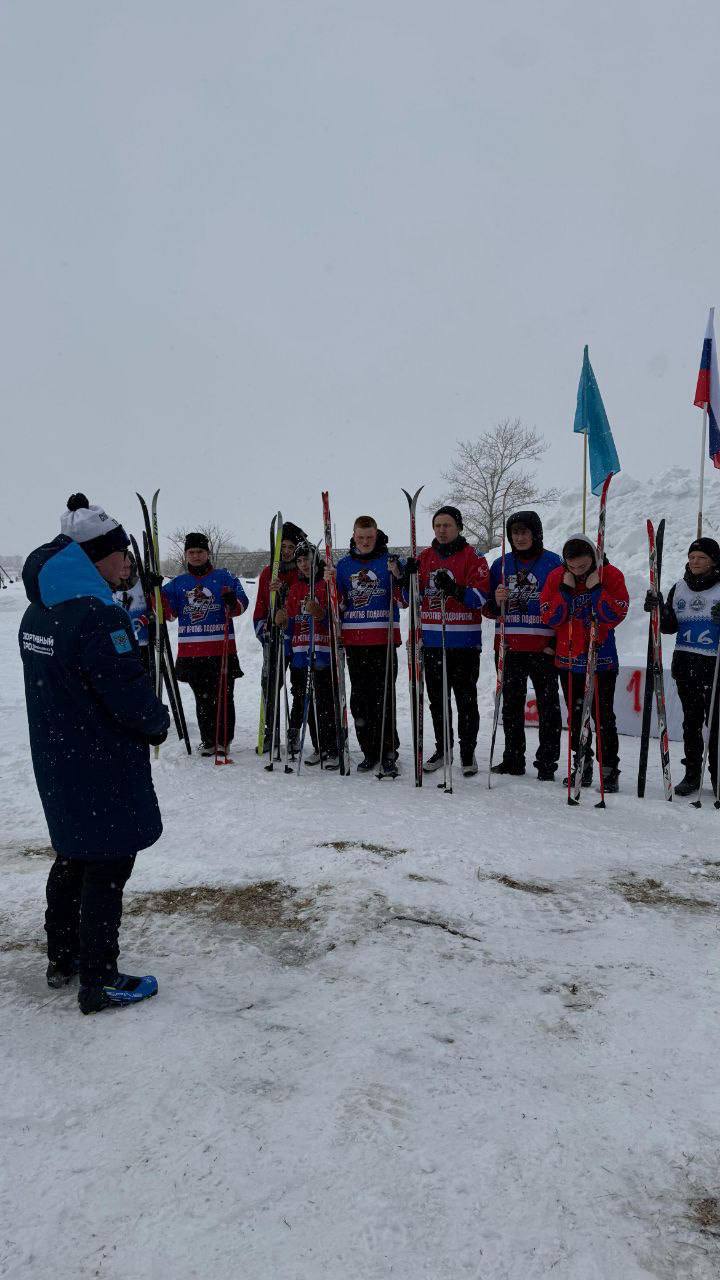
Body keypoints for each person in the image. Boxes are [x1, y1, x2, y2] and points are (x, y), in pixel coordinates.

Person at [19, 493, 169, 1015]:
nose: (127, 562)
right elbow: (125, 691)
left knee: (73, 855)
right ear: (96, 556)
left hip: (59, 757)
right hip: (101, 759)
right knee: (108, 862)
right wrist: (156, 722)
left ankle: (63, 956)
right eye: (121, 553)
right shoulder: (99, 617)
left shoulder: (40, 608)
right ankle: (100, 978)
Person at [394, 505, 488, 777]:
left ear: (458, 527)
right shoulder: (424, 558)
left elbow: (481, 598)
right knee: (437, 701)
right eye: (437, 526)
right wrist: (406, 579)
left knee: (466, 700)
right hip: (433, 641)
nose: (442, 530)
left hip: (464, 643)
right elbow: (406, 601)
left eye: (447, 525)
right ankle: (443, 748)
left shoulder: (473, 557)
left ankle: (467, 752)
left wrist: (455, 589)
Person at [540, 533, 628, 792]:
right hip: (568, 660)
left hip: (601, 658)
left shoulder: (611, 575)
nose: (577, 570)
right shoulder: (557, 577)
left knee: (603, 718)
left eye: (583, 565)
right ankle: (582, 764)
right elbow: (550, 617)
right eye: (572, 566)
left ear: (593, 558)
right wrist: (566, 592)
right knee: (577, 717)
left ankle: (609, 769)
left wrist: (597, 589)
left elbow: (613, 615)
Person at [484, 511, 563, 780]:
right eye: (515, 532)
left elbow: (564, 605)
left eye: (524, 532)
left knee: (548, 706)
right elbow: (487, 609)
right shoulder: (500, 564)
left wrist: (555, 642)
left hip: (543, 647)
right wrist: (496, 600)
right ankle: (513, 759)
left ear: (535, 533)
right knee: (511, 706)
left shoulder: (553, 563)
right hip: (509, 647)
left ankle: (547, 763)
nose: (519, 537)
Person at [160, 532, 249, 756]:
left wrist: (233, 602)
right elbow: (168, 614)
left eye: (200, 551)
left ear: (207, 553)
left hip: (221, 649)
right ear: (186, 555)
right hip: (192, 651)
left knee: (224, 696)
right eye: (191, 552)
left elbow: (241, 604)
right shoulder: (178, 583)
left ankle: (223, 740)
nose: (196, 556)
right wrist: (156, 592)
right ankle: (209, 740)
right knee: (202, 698)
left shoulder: (224, 577)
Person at [645, 536, 720, 796]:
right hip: (686, 664)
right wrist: (657, 609)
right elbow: (668, 627)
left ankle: (717, 774)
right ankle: (692, 774)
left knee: (716, 725)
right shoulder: (679, 587)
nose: (695, 562)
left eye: (702, 558)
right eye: (692, 557)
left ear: (713, 561)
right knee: (691, 723)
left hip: (714, 666)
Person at [329, 516, 402, 773]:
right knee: (360, 700)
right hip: (355, 641)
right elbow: (339, 604)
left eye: (369, 537)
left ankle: (388, 750)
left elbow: (404, 600)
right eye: (360, 537)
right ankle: (369, 750)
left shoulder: (389, 561)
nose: (365, 542)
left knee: (384, 698)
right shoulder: (344, 565)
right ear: (354, 536)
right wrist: (330, 584)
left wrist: (399, 575)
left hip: (383, 640)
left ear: (376, 534)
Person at [275, 541, 337, 767]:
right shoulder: (295, 589)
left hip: (322, 652)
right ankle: (319, 746)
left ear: (316, 559)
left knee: (324, 702)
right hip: (300, 654)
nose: (303, 564)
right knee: (306, 701)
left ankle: (333, 747)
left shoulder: (326, 584)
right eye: (299, 561)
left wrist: (321, 614)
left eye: (307, 559)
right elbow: (291, 624)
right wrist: (283, 621)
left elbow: (337, 619)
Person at [253, 521, 306, 753]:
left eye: (291, 547)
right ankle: (270, 731)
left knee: (300, 687)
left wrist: (286, 594)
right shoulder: (268, 573)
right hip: (275, 638)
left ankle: (294, 730)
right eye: (282, 546)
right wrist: (264, 629)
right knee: (272, 685)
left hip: (299, 638)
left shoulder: (303, 570)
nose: (286, 551)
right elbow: (260, 607)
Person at [113, 552, 151, 672]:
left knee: (145, 671)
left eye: (127, 568)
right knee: (127, 672)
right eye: (121, 568)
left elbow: (154, 609)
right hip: (121, 640)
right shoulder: (111, 589)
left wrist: (146, 618)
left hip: (142, 639)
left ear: (132, 567)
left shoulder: (142, 585)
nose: (124, 571)